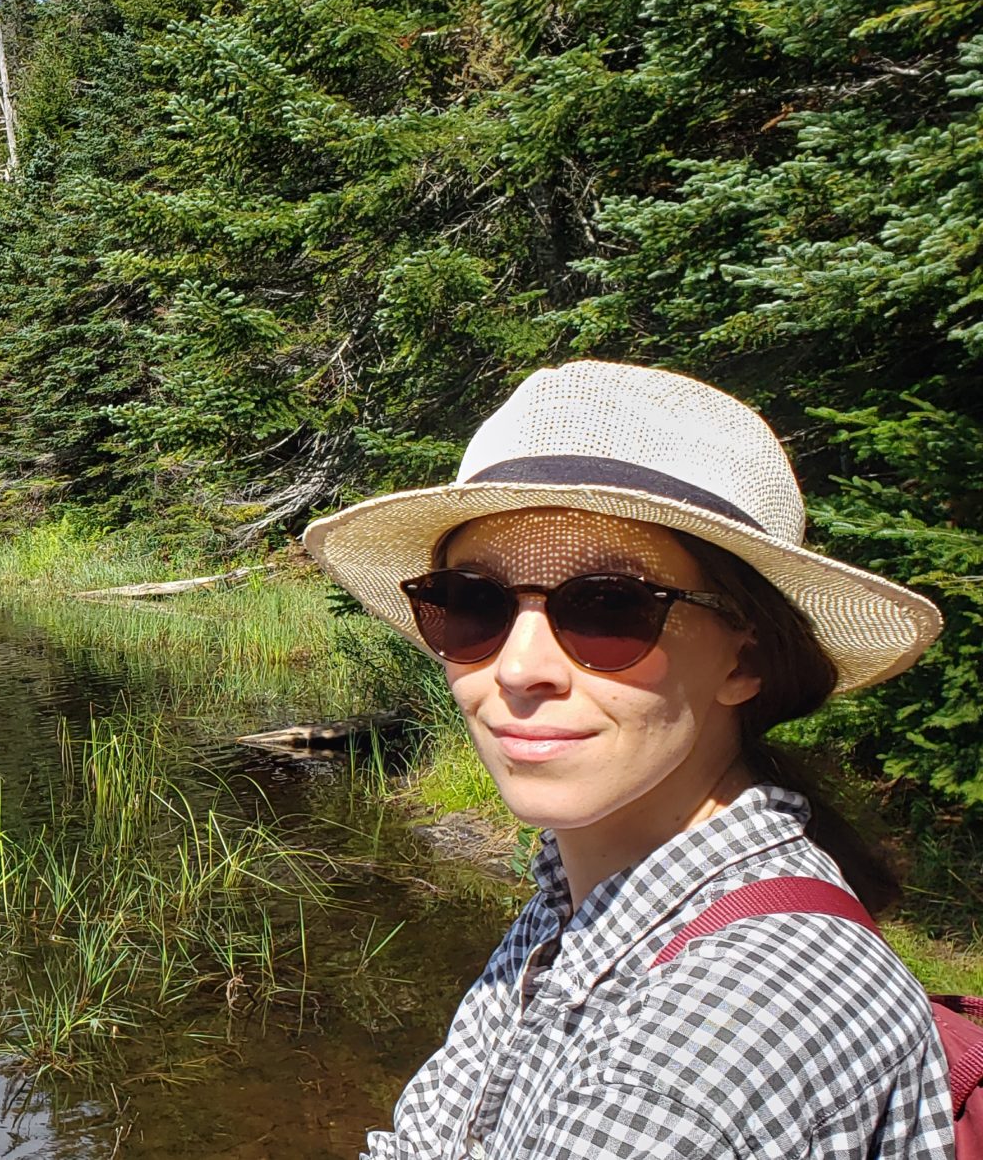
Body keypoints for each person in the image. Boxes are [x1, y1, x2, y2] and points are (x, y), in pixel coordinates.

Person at [303, 360, 955, 1158]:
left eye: (609, 608)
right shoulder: (581, 898)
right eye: (473, 604)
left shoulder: (733, 1018)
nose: (519, 669)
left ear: (745, 660)